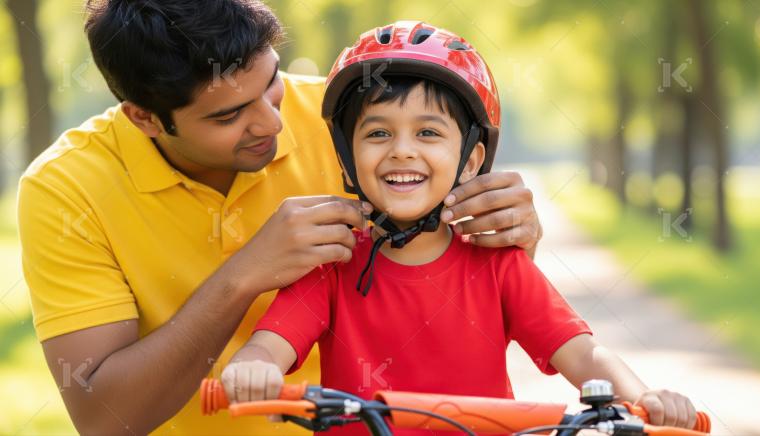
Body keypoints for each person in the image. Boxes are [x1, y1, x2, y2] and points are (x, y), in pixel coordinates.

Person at [17, 2, 542, 435]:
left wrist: (512, 237)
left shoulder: (357, 123)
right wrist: (244, 275)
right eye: (228, 115)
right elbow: (107, 419)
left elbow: (460, 296)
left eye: (271, 83)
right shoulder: (65, 189)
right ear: (145, 118)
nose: (270, 121)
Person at [221, 21, 698, 436]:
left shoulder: (499, 265)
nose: (402, 150)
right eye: (378, 133)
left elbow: (586, 355)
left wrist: (644, 397)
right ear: (347, 156)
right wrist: (252, 369)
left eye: (428, 133)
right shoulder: (333, 265)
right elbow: (268, 345)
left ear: (471, 159)